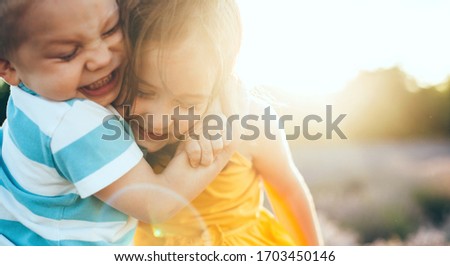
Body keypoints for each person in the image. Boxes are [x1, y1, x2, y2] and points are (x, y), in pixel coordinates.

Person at [0, 0, 233, 246]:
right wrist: (230, 129)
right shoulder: (77, 124)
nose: (101, 59)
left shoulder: (35, 78)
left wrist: (212, 100)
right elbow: (157, 205)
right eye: (68, 53)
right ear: (8, 68)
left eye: (109, 30)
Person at [121, 0, 323, 245]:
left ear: (220, 84)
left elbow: (288, 193)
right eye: (143, 91)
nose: (159, 119)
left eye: (187, 104)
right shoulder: (105, 120)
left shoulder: (252, 120)